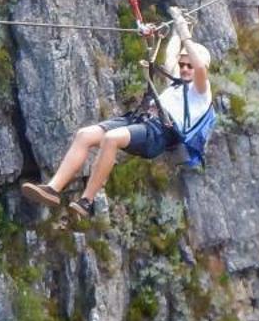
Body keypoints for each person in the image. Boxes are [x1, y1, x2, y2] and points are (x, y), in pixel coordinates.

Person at [22, 38, 216, 218]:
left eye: (188, 66)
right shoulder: (177, 84)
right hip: (141, 120)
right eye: (182, 65)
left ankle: (87, 200)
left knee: (111, 138)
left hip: (158, 134)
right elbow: (172, 53)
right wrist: (178, 23)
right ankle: (53, 189)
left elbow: (198, 66)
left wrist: (185, 32)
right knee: (85, 135)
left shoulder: (201, 91)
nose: (184, 69)